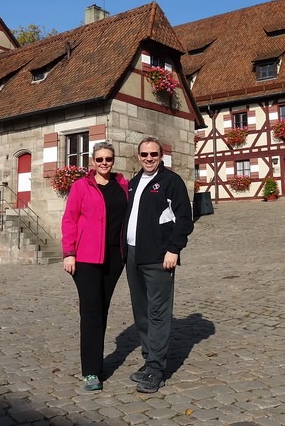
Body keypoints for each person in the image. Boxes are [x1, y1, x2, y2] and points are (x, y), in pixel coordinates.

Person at [125, 136, 194, 393]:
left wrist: (174, 249)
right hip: (133, 255)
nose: (149, 158)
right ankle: (148, 360)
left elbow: (184, 219)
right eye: (144, 154)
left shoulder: (170, 182)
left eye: (154, 154)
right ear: (139, 156)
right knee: (141, 312)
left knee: (158, 313)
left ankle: (156, 369)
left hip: (159, 257)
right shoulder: (133, 183)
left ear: (161, 155)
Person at [61, 141, 129, 392]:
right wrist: (69, 253)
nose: (104, 163)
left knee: (103, 310)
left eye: (108, 159)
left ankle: (97, 365)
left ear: (113, 161)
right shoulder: (81, 186)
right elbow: (69, 219)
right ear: (92, 162)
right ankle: (91, 371)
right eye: (99, 159)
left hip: (114, 257)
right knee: (91, 313)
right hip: (86, 258)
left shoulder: (123, 186)